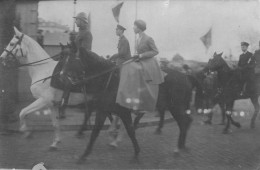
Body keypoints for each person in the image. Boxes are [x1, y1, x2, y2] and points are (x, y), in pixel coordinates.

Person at [116, 19, 165, 112]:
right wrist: (136, 56)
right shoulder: (138, 39)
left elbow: (155, 51)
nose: (133, 28)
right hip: (141, 61)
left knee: (132, 69)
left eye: (134, 26)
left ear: (139, 28)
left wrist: (141, 55)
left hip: (149, 62)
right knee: (125, 66)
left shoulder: (148, 38)